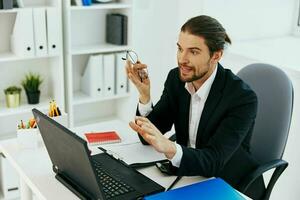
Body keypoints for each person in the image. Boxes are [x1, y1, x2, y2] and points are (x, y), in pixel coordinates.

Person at [126, 15, 264, 199]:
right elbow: (150, 136)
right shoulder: (177, 79)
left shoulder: (242, 98)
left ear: (216, 55)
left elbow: (214, 161)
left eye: (194, 51)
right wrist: (145, 95)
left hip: (227, 183)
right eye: (180, 48)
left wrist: (170, 147)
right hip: (189, 175)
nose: (182, 59)